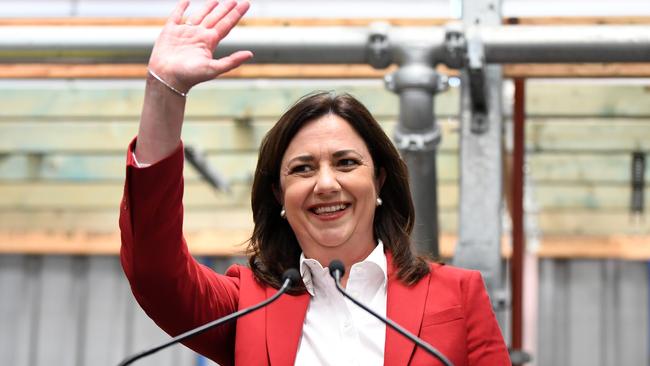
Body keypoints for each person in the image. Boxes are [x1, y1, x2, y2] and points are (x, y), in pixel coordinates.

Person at [119, 0, 511, 365]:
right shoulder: (248, 304)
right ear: (280, 196)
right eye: (303, 169)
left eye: (346, 162)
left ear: (378, 181)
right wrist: (164, 91)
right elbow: (156, 272)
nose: (325, 183)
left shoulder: (458, 294)